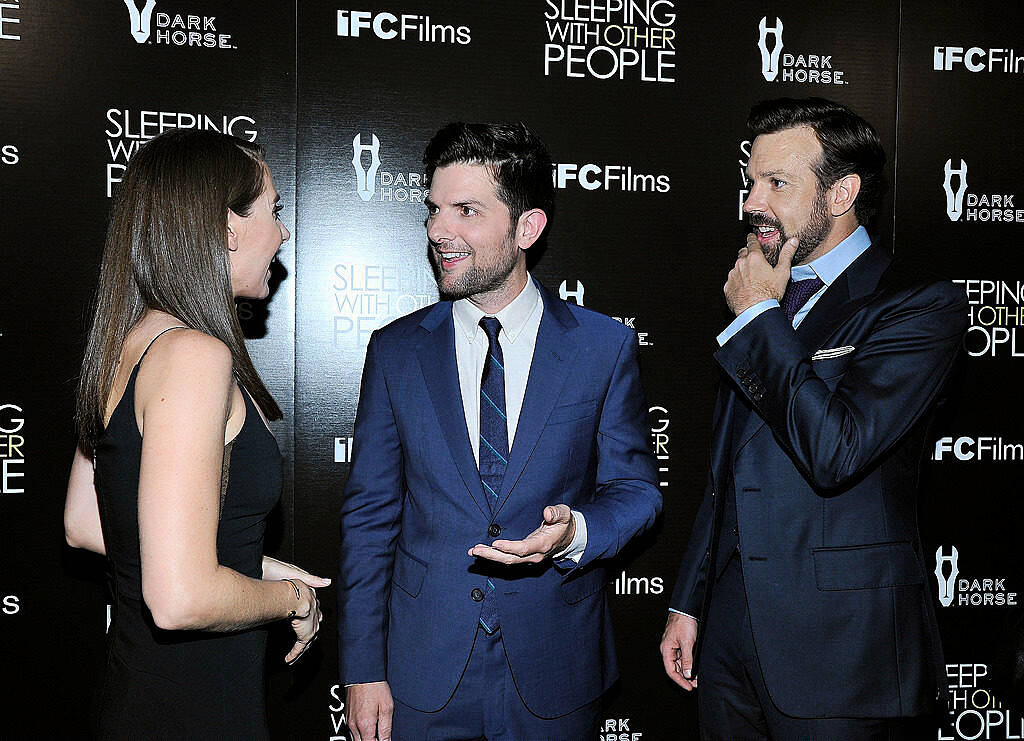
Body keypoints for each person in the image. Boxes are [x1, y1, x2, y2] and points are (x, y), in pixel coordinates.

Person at [338, 122, 662, 740]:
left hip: (555, 667)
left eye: (467, 211)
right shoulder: (396, 351)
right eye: (435, 210)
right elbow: (369, 519)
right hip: (421, 674)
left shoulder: (603, 346)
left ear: (526, 228)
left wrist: (576, 532)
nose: (439, 231)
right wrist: (361, 667)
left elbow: (638, 491)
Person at [660, 97, 968, 739]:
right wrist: (690, 601)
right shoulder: (764, 294)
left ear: (841, 193)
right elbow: (728, 465)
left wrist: (757, 319)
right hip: (730, 640)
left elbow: (837, 449)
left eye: (777, 183)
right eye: (752, 182)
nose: (752, 203)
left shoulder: (914, 303)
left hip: (842, 652)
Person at [63, 128, 329, 740]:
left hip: (137, 703)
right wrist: (291, 598)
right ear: (228, 230)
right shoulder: (193, 355)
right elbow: (179, 598)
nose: (282, 234)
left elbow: (87, 521)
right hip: (194, 715)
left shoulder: (125, 344)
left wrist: (243, 564)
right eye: (274, 212)